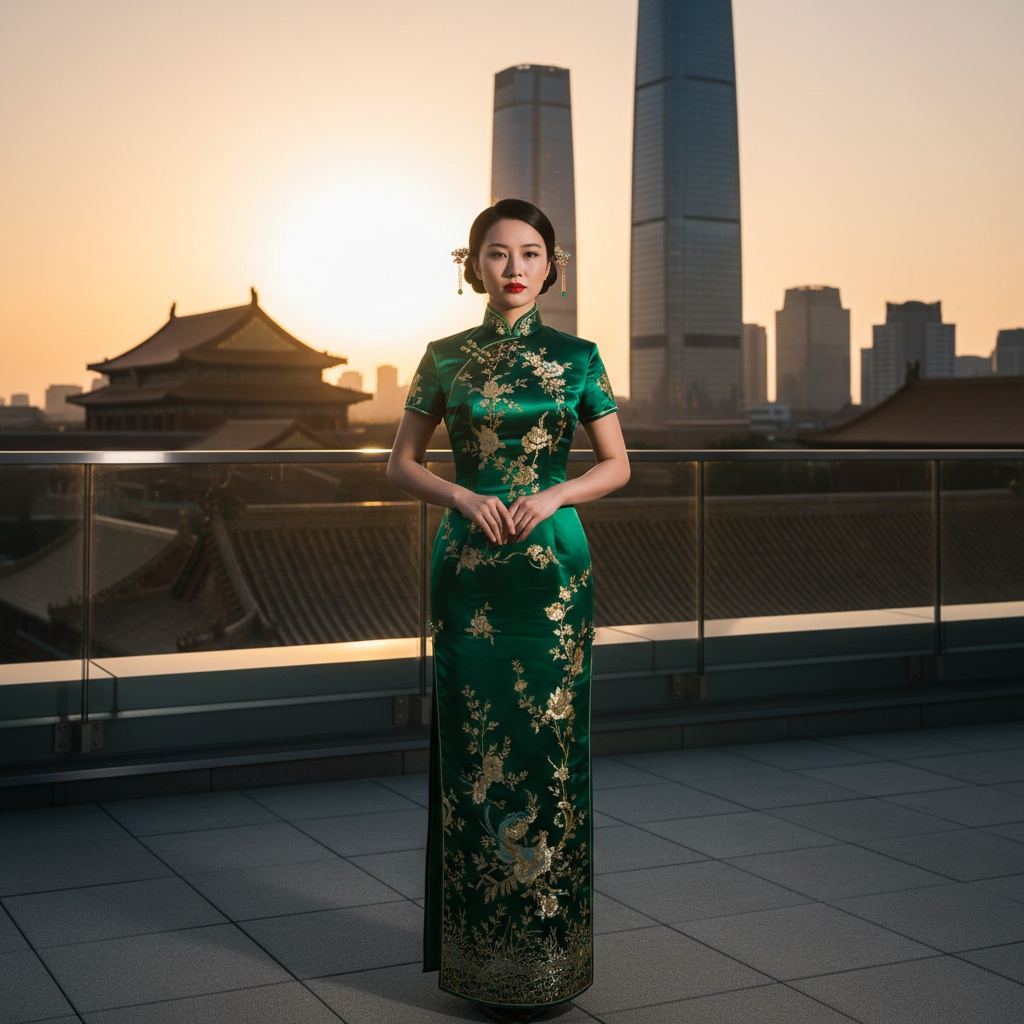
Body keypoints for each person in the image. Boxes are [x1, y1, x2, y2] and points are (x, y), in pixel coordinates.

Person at [388, 198, 629, 1023]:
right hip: (470, 570)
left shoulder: (580, 357)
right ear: (474, 266)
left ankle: (551, 956)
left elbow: (617, 466)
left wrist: (557, 491)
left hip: (552, 573)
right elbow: (400, 463)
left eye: (531, 253)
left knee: (554, 749)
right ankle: (481, 954)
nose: (515, 267)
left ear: (552, 267)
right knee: (472, 754)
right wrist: (461, 495)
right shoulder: (443, 358)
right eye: (498, 253)